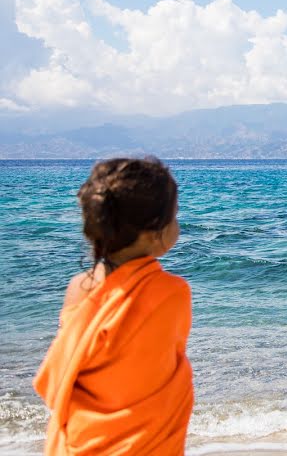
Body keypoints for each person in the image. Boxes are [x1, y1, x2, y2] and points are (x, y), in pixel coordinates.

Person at [33, 157, 194, 455]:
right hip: (144, 445)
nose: (178, 224)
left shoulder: (77, 289)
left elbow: (65, 373)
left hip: (81, 440)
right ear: (152, 233)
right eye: (175, 216)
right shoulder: (172, 292)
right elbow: (160, 378)